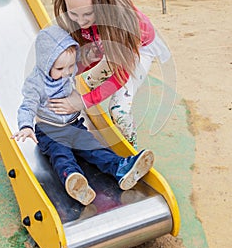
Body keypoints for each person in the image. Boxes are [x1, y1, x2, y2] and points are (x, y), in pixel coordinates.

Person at [12, 24, 154, 206]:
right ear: (45, 63)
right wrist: (25, 126)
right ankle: (74, 180)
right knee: (61, 155)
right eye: (60, 69)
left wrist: (90, 57)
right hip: (49, 131)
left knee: (95, 148)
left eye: (70, 67)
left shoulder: (67, 69)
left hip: (74, 125)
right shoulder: (36, 83)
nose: (67, 73)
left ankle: (120, 168)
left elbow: (80, 63)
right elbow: (27, 106)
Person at [52, 0, 170, 149]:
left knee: (119, 111)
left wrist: (83, 101)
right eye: (73, 14)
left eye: (87, 14)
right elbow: (84, 55)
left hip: (137, 49)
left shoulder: (122, 22)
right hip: (108, 42)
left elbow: (120, 74)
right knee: (89, 79)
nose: (80, 21)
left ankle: (132, 150)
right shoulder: (85, 13)